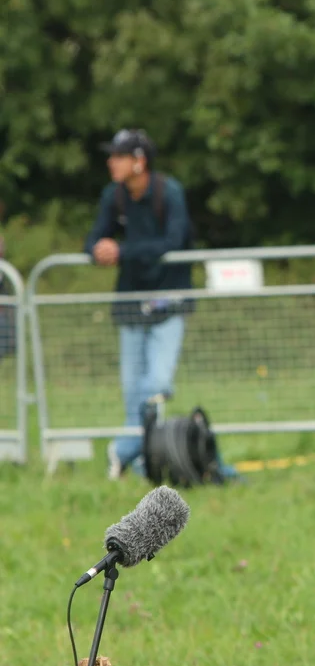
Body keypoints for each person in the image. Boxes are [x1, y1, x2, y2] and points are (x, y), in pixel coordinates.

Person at [84, 129, 195, 480]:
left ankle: (122, 450)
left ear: (139, 161)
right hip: (130, 302)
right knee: (133, 391)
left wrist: (122, 251)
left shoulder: (169, 192)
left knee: (157, 383)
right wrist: (98, 250)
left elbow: (174, 241)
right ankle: (146, 460)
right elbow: (94, 238)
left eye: (118, 156)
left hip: (168, 301)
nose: (110, 162)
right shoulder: (113, 195)